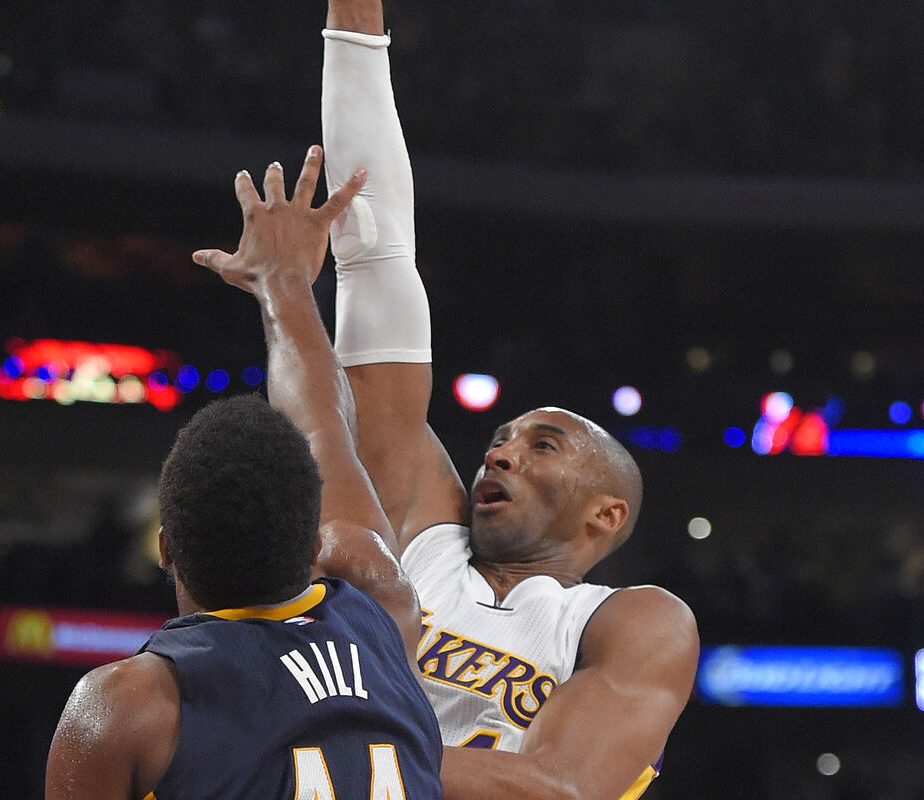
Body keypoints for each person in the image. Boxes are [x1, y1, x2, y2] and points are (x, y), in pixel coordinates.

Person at [318, 2, 701, 798]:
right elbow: (374, 254)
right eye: (501, 438)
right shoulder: (423, 541)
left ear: (606, 514)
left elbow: (555, 788)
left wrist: (308, 752)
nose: (499, 452)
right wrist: (355, 26)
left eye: (542, 445)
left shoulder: (632, 622)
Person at [44, 148, 443, 800]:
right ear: (314, 544)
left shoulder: (127, 707)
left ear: (166, 546)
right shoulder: (379, 603)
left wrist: (279, 276)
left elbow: (319, 427)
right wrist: (283, 279)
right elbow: (320, 423)